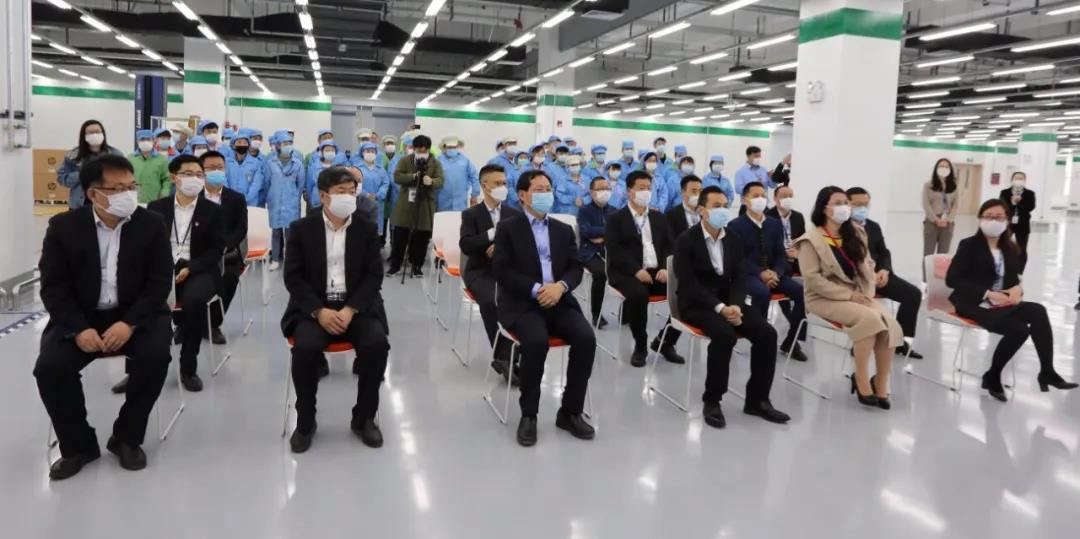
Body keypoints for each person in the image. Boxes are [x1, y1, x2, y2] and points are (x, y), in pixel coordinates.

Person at [34, 154, 173, 480]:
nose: (128, 194)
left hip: (135, 313)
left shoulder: (151, 224)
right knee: (50, 368)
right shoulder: (63, 227)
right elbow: (54, 288)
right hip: (81, 316)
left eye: (131, 186)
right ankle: (78, 445)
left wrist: (130, 323)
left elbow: (158, 284)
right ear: (93, 193)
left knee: (155, 357)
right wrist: (78, 329)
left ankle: (127, 437)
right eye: (118, 188)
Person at [282, 166, 390, 453]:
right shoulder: (301, 229)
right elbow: (293, 278)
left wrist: (351, 309)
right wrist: (319, 311)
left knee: (377, 345)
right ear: (323, 196)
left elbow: (374, 276)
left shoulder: (366, 228)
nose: (348, 197)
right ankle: (306, 420)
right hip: (314, 308)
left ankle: (364, 418)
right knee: (305, 349)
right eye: (341, 192)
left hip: (356, 307)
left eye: (352, 192)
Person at [492, 170, 596, 447]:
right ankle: (529, 415)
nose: (545, 194)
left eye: (548, 189)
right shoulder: (508, 228)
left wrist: (560, 287)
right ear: (522, 195)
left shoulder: (562, 230)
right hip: (523, 302)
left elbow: (575, 267)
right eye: (538, 190)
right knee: (536, 342)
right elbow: (502, 271)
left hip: (559, 299)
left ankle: (570, 411)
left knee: (586, 338)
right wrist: (538, 289)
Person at [673, 186, 790, 428]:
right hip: (696, 303)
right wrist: (720, 308)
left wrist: (735, 305)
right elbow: (689, 284)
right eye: (716, 206)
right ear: (702, 210)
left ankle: (758, 400)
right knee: (724, 335)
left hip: (729, 301)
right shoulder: (686, 240)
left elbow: (739, 277)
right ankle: (712, 400)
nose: (722, 210)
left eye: (725, 205)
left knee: (767, 334)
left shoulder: (733, 239)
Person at [945, 199, 1077, 402]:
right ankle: (993, 375)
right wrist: (988, 294)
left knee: (1038, 310)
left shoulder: (1011, 248)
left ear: (1007, 220)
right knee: (1019, 330)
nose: (993, 221)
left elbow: (1014, 280)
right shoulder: (969, 245)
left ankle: (1047, 371)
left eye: (999, 217)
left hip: (1001, 304)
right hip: (972, 303)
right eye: (988, 216)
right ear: (980, 219)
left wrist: (1017, 289)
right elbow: (952, 279)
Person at [794, 186, 902, 409]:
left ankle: (881, 380)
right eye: (838, 202)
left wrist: (867, 292)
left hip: (858, 295)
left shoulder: (856, 233)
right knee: (870, 319)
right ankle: (860, 377)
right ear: (824, 208)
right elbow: (813, 280)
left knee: (890, 323)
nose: (844, 207)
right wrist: (850, 296)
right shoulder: (810, 240)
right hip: (823, 298)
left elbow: (867, 266)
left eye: (846, 202)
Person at [143, 155, 224, 393]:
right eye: (188, 174)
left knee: (195, 301)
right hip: (162, 267)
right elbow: (147, 245)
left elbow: (216, 250)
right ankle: (135, 368)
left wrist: (191, 267)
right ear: (174, 177)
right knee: (139, 297)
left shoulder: (212, 210)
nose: (195, 179)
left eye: (199, 175)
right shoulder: (156, 208)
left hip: (198, 268)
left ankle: (188, 367)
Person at [605, 170, 683, 368]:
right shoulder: (616, 218)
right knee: (639, 295)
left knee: (685, 292)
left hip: (656, 271)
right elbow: (614, 249)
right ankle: (641, 346)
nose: (646, 192)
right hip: (626, 272)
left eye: (648, 188)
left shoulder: (659, 217)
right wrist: (635, 270)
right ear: (629, 191)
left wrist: (665, 267)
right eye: (641, 188)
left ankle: (665, 342)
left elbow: (669, 245)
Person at [728, 182, 808, 362]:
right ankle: (760, 338)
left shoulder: (774, 224)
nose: (760, 199)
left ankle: (792, 341)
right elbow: (738, 259)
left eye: (763, 195)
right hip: (748, 274)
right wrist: (760, 273)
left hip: (773, 273)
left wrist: (776, 272)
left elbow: (780, 254)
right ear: (744, 200)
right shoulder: (735, 225)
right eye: (755, 196)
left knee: (800, 291)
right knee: (762, 292)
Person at [459, 164, 522, 382]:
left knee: (523, 297)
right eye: (497, 183)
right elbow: (466, 245)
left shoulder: (514, 213)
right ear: (484, 186)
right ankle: (504, 357)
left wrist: (501, 247)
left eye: (504, 183)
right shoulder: (471, 214)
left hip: (507, 270)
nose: (502, 187)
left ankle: (517, 350)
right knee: (491, 300)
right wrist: (492, 234)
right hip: (480, 271)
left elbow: (522, 245)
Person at [847, 187, 924, 359]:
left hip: (879, 276)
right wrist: (867, 275)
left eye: (865, 204)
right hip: (857, 280)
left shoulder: (873, 226)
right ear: (847, 205)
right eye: (857, 204)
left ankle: (899, 341)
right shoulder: (842, 229)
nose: (862, 208)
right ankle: (860, 342)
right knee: (865, 305)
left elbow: (884, 252)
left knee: (913, 294)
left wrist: (884, 270)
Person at [200, 151, 248, 346]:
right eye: (211, 168)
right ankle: (184, 324)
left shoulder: (236, 198)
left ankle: (212, 324)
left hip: (227, 254)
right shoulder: (193, 196)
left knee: (228, 278)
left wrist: (223, 246)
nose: (216, 171)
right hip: (197, 253)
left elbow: (241, 229)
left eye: (220, 167)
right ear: (202, 171)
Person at [389, 134, 444, 277]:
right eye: (418, 150)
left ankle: (417, 266)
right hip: (406, 204)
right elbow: (397, 176)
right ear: (413, 148)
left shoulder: (435, 163)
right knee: (400, 236)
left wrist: (431, 181)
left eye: (424, 151)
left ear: (429, 149)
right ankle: (395, 266)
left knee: (421, 238)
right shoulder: (405, 160)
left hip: (425, 204)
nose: (421, 153)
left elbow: (441, 180)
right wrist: (412, 177)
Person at [578, 176, 618, 329]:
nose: (604, 192)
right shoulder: (584, 211)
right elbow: (586, 231)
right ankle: (597, 314)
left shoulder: (614, 211)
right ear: (592, 192)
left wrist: (601, 235)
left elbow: (619, 232)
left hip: (610, 250)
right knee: (601, 273)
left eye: (607, 188)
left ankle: (626, 312)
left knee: (629, 268)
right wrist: (608, 231)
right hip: (590, 252)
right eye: (600, 189)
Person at [263, 131, 305, 271]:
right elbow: (266, 182)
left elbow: (300, 184)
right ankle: (275, 259)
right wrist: (271, 196)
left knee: (289, 233)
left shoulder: (298, 164)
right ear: (278, 146)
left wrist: (294, 197)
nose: (288, 146)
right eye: (285, 143)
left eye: (290, 143)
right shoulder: (271, 163)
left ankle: (290, 259)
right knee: (275, 231)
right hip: (275, 202)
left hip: (291, 202)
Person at [58, 119, 124, 209]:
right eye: (91, 133)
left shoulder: (116, 154)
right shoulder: (74, 155)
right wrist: (82, 174)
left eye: (97, 132)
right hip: (79, 206)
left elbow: (124, 179)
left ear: (103, 134)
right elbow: (62, 178)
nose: (95, 135)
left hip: (108, 205)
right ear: (84, 136)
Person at [922, 158, 959, 278]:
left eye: (946, 166)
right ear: (936, 168)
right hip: (932, 222)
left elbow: (956, 205)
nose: (944, 169)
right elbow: (926, 205)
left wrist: (948, 220)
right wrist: (935, 219)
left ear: (950, 170)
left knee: (943, 256)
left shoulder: (954, 186)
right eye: (941, 166)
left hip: (948, 223)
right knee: (928, 254)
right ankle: (926, 281)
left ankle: (939, 281)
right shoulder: (928, 185)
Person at [1000, 171, 1036, 273]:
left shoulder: (1030, 193)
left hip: (1023, 224)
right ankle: (1004, 267)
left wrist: (1019, 202)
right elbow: (1002, 206)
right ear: (1012, 180)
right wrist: (1012, 203)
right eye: (1016, 178)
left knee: (1022, 249)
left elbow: (1031, 207)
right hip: (1008, 223)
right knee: (1004, 245)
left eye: (1021, 179)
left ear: (1025, 180)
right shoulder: (1005, 192)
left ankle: (1019, 271)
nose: (1019, 180)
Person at [435, 135, 480, 211]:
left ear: (458, 146)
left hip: (460, 203)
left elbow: (474, 177)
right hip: (442, 203)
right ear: (444, 147)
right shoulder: (438, 161)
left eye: (454, 147)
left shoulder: (465, 161)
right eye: (449, 147)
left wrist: (474, 195)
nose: (452, 149)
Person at [128, 129, 171, 203]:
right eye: (142, 139)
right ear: (137, 141)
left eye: (148, 139)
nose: (145, 142)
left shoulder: (162, 159)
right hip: (134, 200)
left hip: (154, 200)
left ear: (153, 140)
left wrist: (163, 195)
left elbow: (167, 179)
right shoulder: (130, 158)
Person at [226, 128, 265, 207]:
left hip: (250, 203)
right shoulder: (226, 162)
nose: (242, 145)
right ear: (233, 145)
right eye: (239, 142)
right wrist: (230, 197)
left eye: (245, 143)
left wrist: (245, 198)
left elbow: (256, 184)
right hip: (230, 202)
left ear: (248, 145)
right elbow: (224, 181)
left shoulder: (256, 163)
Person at [306, 140, 347, 208]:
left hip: (335, 202)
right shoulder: (314, 167)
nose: (330, 152)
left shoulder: (340, 168)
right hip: (317, 202)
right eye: (327, 150)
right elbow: (309, 186)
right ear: (322, 152)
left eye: (332, 150)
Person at [665, 174, 703, 239]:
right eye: (694, 191)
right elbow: (670, 241)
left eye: (700, 191)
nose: (698, 195)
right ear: (683, 192)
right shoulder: (670, 216)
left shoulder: (706, 213)